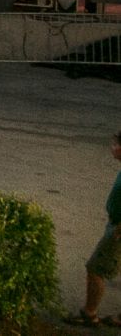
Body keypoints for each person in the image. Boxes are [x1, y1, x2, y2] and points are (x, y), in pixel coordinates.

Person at [75, 130, 121, 326]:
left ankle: (90, 313)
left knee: (95, 269)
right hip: (115, 223)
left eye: (115, 144)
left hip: (118, 229)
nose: (112, 148)